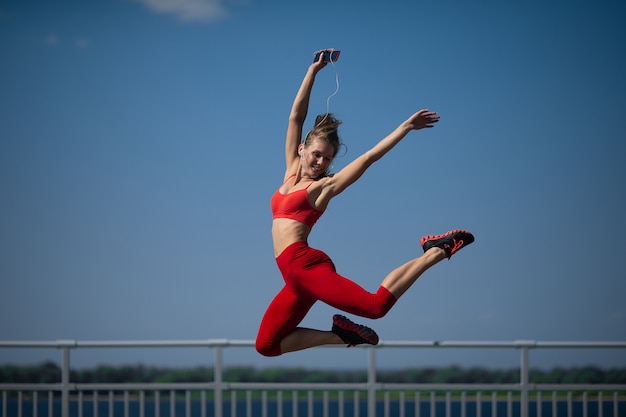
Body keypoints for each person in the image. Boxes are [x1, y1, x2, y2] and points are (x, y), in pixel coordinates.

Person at [255, 50, 474, 357]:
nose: (320, 162)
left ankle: (436, 251)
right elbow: (296, 117)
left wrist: (405, 128)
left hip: (305, 267)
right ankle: (340, 335)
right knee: (266, 345)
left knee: (375, 307)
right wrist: (313, 71)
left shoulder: (322, 188)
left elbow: (368, 158)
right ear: (303, 149)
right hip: (292, 278)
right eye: (316, 154)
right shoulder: (290, 169)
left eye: (328, 158)